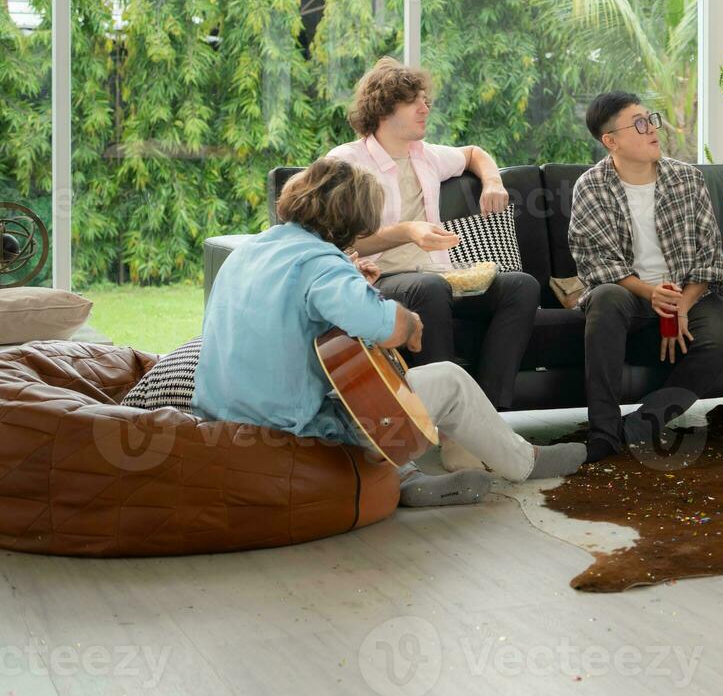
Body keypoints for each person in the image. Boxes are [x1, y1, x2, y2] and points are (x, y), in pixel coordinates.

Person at [193, 158, 585, 507]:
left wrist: (354, 281)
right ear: (356, 218)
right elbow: (386, 327)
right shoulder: (321, 264)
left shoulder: (249, 251)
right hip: (295, 434)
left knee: (354, 381)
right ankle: (522, 462)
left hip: (220, 424)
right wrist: (410, 322)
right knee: (448, 379)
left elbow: (295, 320)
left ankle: (401, 476)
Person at [328, 57, 540, 407]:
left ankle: (487, 409)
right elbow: (341, 243)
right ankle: (443, 413)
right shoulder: (346, 163)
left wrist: (492, 181)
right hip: (379, 278)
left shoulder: (425, 155)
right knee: (429, 287)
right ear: (384, 108)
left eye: (426, 99)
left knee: (521, 285)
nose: (426, 107)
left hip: (439, 276)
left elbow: (474, 153)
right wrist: (408, 231)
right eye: (415, 101)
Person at [568, 92, 723, 462]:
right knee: (604, 299)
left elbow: (710, 257)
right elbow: (596, 264)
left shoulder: (687, 180)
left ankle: (641, 424)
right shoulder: (591, 187)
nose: (652, 130)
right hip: (631, 295)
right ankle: (602, 431)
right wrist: (651, 294)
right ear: (610, 141)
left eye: (652, 119)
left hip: (687, 293)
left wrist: (681, 305)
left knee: (721, 340)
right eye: (640, 124)